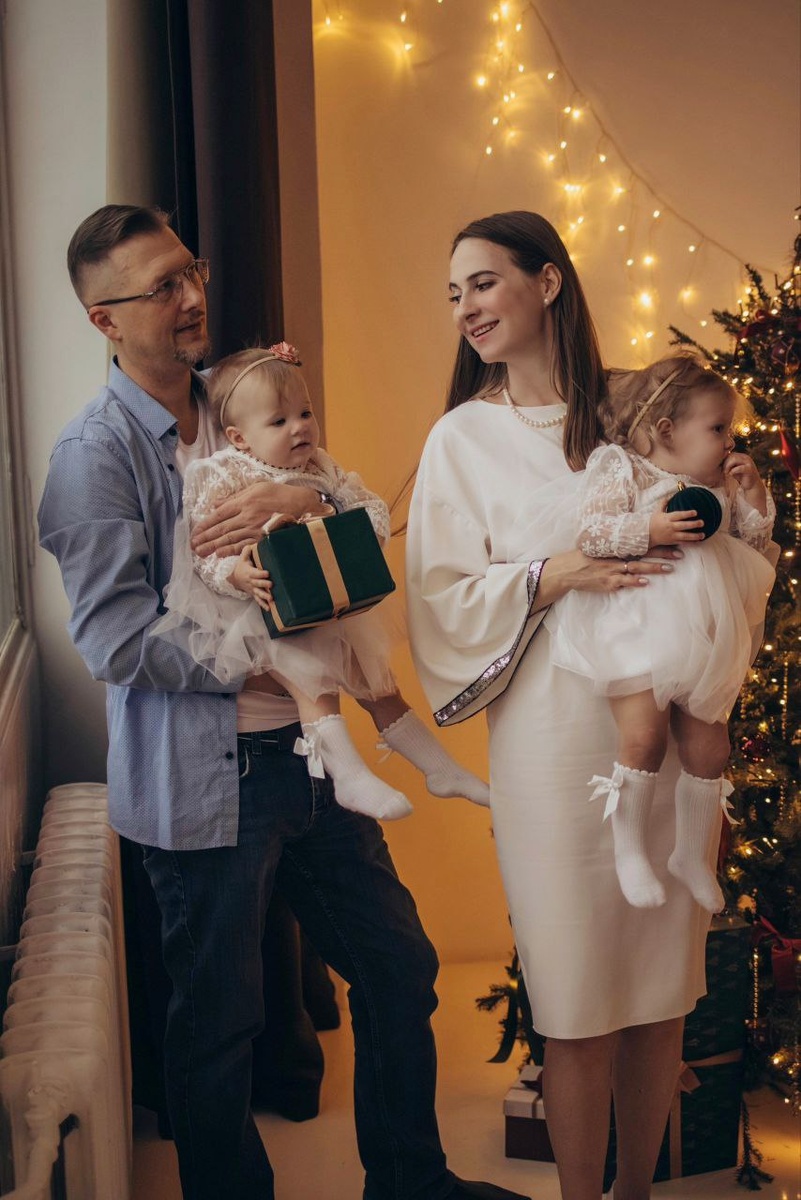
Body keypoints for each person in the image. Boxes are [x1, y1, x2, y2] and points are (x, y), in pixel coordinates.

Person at [38, 203, 530, 1200]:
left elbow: (351, 514)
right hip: (206, 782)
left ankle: (412, 1182)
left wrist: (305, 500)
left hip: (316, 763)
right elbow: (113, 638)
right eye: (162, 287)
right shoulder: (94, 455)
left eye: (192, 271)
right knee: (218, 1025)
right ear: (104, 320)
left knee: (398, 967)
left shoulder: (244, 395)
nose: (192, 296)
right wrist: (263, 667)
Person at [404, 210, 743, 1200]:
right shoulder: (461, 439)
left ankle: (637, 1190)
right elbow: (439, 599)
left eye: (482, 282)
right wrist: (562, 571)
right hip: (550, 744)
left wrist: (725, 505)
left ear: (547, 281)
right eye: (454, 293)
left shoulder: (638, 410)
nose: (465, 308)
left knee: (658, 998)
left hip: (659, 731)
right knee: (574, 1004)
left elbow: (710, 527)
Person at [152, 340, 489, 822]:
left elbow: (372, 514)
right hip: (264, 608)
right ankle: (346, 775)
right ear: (239, 437)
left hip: (327, 595)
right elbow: (203, 551)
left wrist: (330, 509)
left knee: (379, 685)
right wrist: (237, 574)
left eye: (305, 413)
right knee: (315, 682)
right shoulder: (222, 473)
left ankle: (439, 769)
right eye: (279, 421)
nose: (300, 427)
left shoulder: (321, 468)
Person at [543, 353, 775, 913]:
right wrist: (651, 527)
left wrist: (752, 497)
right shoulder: (622, 467)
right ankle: (629, 850)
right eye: (718, 429)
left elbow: (751, 551)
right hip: (637, 628)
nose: (729, 442)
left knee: (710, 747)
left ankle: (691, 853)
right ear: (668, 429)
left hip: (703, 638)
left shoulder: (713, 485)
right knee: (643, 739)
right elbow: (592, 533)